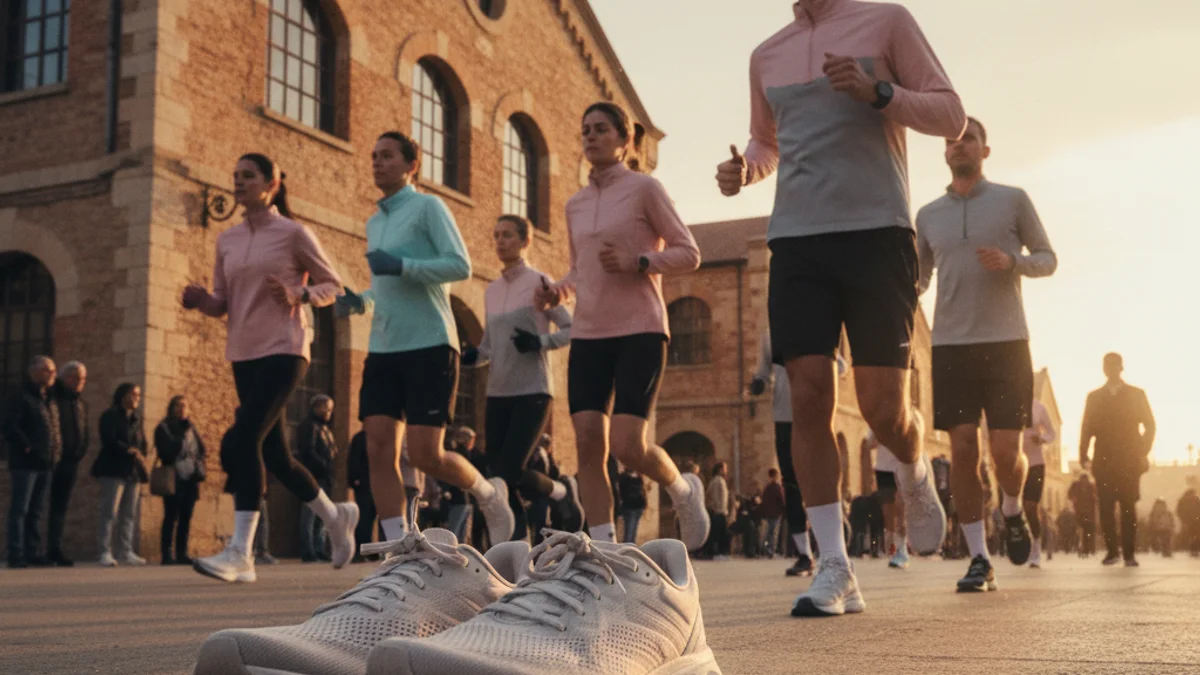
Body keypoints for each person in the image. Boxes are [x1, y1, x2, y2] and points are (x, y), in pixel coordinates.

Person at [717, 0, 966, 618]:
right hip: (797, 240)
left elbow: (951, 115)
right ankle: (835, 565)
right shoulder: (765, 54)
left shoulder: (886, 21)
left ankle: (911, 469)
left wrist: (879, 91)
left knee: (884, 409)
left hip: (877, 233)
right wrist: (747, 168)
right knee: (807, 396)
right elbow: (766, 141)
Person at [533, 101, 708, 553]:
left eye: (601, 129)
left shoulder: (645, 188)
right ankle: (604, 549)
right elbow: (579, 270)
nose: (590, 137)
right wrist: (558, 292)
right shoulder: (575, 204)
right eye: (585, 129)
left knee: (628, 446)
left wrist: (640, 262)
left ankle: (683, 489)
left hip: (640, 330)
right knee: (589, 442)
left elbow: (689, 253)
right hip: (589, 333)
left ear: (625, 140)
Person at [181, 152, 358, 583]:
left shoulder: (294, 233)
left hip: (286, 347)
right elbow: (224, 301)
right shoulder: (227, 239)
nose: (238, 182)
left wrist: (298, 296)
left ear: (271, 184)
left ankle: (242, 554)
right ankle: (335, 517)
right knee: (275, 455)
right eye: (235, 175)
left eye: (248, 176)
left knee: (245, 437)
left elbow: (333, 285)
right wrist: (201, 300)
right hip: (243, 351)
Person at [335, 131, 513, 547]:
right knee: (379, 448)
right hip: (383, 347)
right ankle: (401, 546)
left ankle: (488, 493)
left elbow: (459, 265)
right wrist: (360, 302)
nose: (378, 162)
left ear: (412, 164)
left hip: (430, 344)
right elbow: (385, 288)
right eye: (374, 155)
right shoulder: (374, 222)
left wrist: (402, 264)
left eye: (388, 156)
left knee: (424, 454)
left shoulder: (428, 207)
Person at [916, 115, 1058, 592]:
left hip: (1006, 342)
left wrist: (1013, 261)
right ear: (944, 152)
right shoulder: (928, 214)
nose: (960, 146)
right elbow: (920, 277)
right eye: (952, 140)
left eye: (969, 139)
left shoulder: (1012, 200)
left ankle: (1012, 509)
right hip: (951, 345)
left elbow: (1048, 257)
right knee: (961, 448)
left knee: (1004, 452)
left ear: (985, 150)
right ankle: (979, 557)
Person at [463, 213, 582, 541]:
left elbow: (573, 328)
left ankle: (561, 490)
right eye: (496, 235)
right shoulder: (491, 291)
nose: (500, 242)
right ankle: (516, 548)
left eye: (507, 235)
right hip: (497, 392)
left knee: (510, 470)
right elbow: (488, 346)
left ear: (525, 241)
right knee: (498, 476)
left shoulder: (539, 282)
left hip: (533, 390)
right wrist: (471, 357)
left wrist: (540, 342)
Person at [750, 331, 818, 576]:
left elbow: (840, 365)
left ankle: (833, 553)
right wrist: (759, 382)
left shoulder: (817, 315)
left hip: (814, 414)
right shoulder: (771, 332)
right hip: (783, 415)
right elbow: (764, 370)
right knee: (791, 484)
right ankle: (805, 555)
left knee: (816, 483)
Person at [1080, 353, 1156, 567]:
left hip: (1129, 460)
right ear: (1104, 369)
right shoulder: (1094, 397)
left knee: (1128, 506)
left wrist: (1142, 449)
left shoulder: (1136, 395)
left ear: (1121, 368)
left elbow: (1150, 425)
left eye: (1114, 366)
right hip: (1103, 459)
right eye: (1107, 366)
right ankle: (1112, 551)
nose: (1111, 369)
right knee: (1105, 506)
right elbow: (1086, 428)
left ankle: (1129, 553)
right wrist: (1083, 454)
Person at [3, 356, 60, 568]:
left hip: (46, 462)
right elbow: (9, 426)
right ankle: (16, 553)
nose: (52, 375)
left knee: (36, 511)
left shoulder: (48, 398)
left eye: (53, 371)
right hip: (25, 463)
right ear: (33, 372)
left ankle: (32, 552)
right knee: (20, 509)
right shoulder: (20, 396)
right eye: (47, 370)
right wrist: (27, 446)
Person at [92, 383, 148, 567]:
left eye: (138, 395)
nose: (136, 398)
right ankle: (104, 551)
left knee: (129, 513)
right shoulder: (110, 416)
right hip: (113, 469)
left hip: (132, 471)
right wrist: (128, 450)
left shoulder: (137, 418)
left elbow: (142, 440)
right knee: (109, 512)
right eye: (133, 394)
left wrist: (142, 452)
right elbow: (109, 439)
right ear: (123, 395)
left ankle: (126, 551)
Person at [154, 395, 207, 565]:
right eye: (178, 405)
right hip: (174, 475)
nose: (181, 409)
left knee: (186, 515)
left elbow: (201, 448)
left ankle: (182, 552)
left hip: (190, 477)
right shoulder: (164, 427)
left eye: (184, 406)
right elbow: (166, 453)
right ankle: (166, 554)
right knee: (171, 515)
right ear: (171, 408)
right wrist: (180, 438)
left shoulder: (191, 427)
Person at [47, 360, 88, 567]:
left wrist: (80, 452)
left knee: (60, 507)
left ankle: (55, 548)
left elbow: (83, 429)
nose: (82, 382)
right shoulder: (52, 397)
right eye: (78, 378)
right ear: (67, 377)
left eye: (84, 379)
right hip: (51, 461)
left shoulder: (79, 402)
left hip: (70, 462)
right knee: (39, 506)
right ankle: (34, 550)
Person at [865, 420, 916, 570]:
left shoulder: (907, 415)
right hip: (883, 469)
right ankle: (893, 547)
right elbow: (868, 445)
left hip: (902, 465)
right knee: (888, 514)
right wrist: (878, 437)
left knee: (901, 508)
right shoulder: (876, 420)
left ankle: (902, 550)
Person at [294, 394, 338, 562]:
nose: (329, 412)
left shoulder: (325, 428)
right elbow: (307, 451)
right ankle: (308, 551)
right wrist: (324, 466)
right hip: (312, 476)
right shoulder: (309, 426)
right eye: (326, 408)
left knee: (322, 515)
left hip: (324, 477)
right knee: (309, 514)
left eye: (331, 409)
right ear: (316, 407)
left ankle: (319, 549)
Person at [1023, 399, 1058, 568]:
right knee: (1011, 507)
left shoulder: (1038, 407)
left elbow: (1052, 433)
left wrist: (1042, 438)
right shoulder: (1005, 402)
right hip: (1013, 463)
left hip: (1035, 463)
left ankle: (1035, 548)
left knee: (1031, 507)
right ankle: (1022, 542)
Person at [347, 430, 378, 561]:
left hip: (373, 482)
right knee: (364, 517)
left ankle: (367, 548)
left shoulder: (374, 437)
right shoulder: (360, 438)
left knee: (370, 516)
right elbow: (354, 459)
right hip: (363, 483)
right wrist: (355, 478)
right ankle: (361, 550)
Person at [617, 464, 649, 543]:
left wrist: (645, 503)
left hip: (638, 506)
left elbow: (643, 490)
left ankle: (631, 546)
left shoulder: (638, 475)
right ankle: (628, 548)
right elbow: (622, 492)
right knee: (630, 530)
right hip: (629, 506)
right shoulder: (624, 477)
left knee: (633, 529)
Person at [1069, 473, 1098, 557]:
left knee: (1082, 530)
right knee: (1088, 531)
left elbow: (1070, 495)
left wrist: (1073, 498)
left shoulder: (1076, 485)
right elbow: (1096, 497)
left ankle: (1084, 548)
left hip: (1080, 512)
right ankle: (1088, 549)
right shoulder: (1090, 485)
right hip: (1088, 513)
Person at [706, 462, 731, 560]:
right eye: (725, 468)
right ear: (720, 469)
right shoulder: (717, 481)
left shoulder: (720, 480)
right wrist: (718, 508)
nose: (726, 470)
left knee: (722, 533)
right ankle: (720, 553)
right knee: (721, 533)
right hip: (719, 511)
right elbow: (716, 497)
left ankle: (721, 553)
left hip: (721, 510)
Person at [760, 468, 786, 558]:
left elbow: (763, 500)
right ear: (775, 476)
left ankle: (767, 548)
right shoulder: (777, 487)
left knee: (769, 531)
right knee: (773, 532)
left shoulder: (767, 487)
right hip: (776, 513)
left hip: (768, 513)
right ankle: (770, 550)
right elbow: (782, 500)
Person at [1177, 487, 1200, 557]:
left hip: (1188, 521)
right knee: (1196, 536)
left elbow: (1179, 511)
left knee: (1190, 535)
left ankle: (1192, 550)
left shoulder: (1182, 500)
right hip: (1196, 520)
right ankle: (1194, 550)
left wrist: (1183, 519)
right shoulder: (1196, 499)